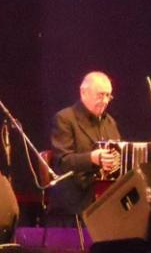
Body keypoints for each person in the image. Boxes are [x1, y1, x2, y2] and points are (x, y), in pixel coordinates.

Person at [49, 71, 121, 216]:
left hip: (105, 192)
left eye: (108, 95)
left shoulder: (110, 122)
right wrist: (91, 158)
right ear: (83, 92)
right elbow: (62, 161)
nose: (105, 101)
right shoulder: (65, 118)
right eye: (100, 95)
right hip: (76, 191)